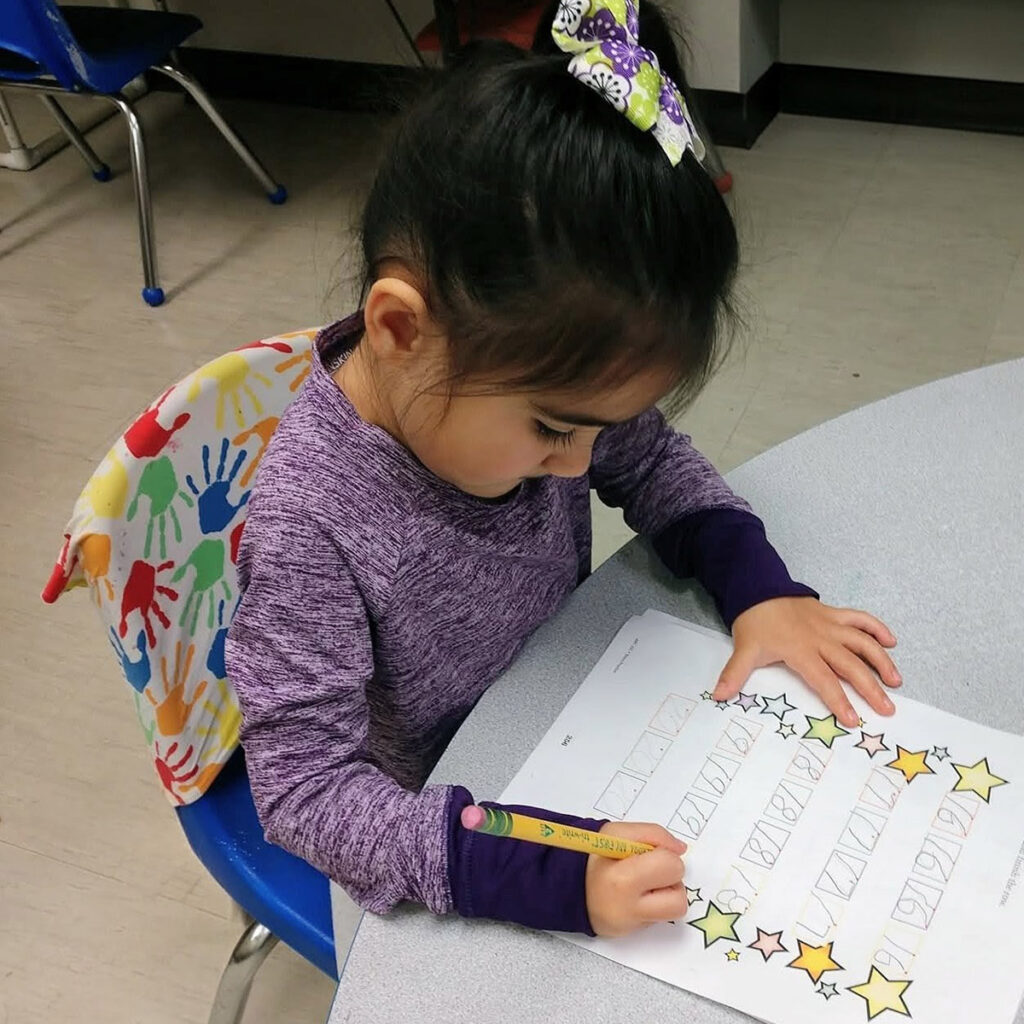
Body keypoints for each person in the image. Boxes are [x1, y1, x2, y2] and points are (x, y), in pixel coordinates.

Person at [225, 0, 901, 939]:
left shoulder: (528, 369)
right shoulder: (309, 525)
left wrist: (760, 590)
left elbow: (652, 459)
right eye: (553, 429)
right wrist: (541, 873)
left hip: (566, 710)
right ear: (400, 329)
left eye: (595, 428)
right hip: (443, 829)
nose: (578, 465)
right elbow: (306, 792)